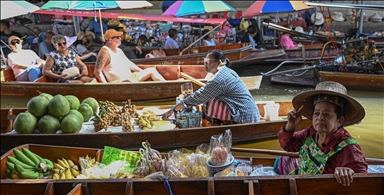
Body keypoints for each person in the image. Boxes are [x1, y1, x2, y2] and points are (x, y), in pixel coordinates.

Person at [277, 81, 368, 186]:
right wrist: (290, 125)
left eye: (326, 114)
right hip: (301, 184)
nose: (320, 118)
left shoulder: (349, 147)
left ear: (340, 121)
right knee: (283, 160)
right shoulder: (311, 133)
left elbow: (362, 180)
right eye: (316, 113)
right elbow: (288, 145)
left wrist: (348, 172)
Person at [162, 50, 260, 125]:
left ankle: (215, 125)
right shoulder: (225, 71)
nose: (205, 64)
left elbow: (200, 96)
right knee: (209, 99)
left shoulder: (220, 79)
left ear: (218, 63)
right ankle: (215, 123)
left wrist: (174, 109)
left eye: (208, 62)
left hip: (244, 117)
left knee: (208, 101)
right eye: (205, 62)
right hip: (245, 112)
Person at [94, 29, 166, 83]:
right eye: (117, 37)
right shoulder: (104, 51)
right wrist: (106, 85)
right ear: (110, 40)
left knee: (151, 70)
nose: (120, 38)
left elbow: (129, 64)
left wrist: (142, 71)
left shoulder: (119, 50)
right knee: (129, 80)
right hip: (119, 82)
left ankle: (167, 85)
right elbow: (97, 71)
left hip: (131, 77)